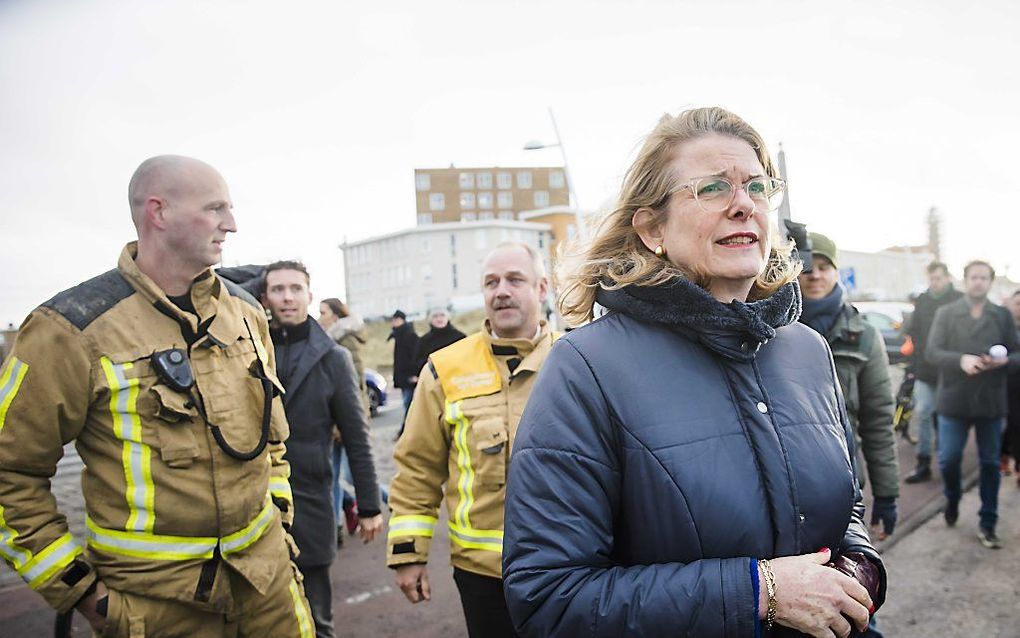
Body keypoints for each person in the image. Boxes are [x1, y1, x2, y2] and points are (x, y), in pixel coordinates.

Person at [502, 108, 884, 638]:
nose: (743, 204)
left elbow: (846, 506)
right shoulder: (586, 368)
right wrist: (759, 592)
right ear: (652, 228)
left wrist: (861, 570)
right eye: (712, 188)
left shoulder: (807, 351)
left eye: (756, 186)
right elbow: (549, 598)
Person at [0, 155, 313, 635]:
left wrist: (280, 519)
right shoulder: (69, 329)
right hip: (155, 607)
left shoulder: (247, 314)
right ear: (158, 212)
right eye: (215, 209)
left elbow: (272, 443)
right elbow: (10, 472)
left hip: (268, 587)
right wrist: (82, 593)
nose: (231, 225)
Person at [387, 242, 557, 638]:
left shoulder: (576, 360)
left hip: (569, 566)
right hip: (481, 574)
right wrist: (408, 554)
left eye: (515, 279)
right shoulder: (445, 369)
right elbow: (418, 467)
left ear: (542, 288)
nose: (501, 291)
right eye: (491, 282)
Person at [261, 261, 383, 638]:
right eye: (277, 289)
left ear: (309, 296)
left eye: (296, 288)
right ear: (263, 296)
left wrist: (369, 506)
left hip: (309, 496)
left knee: (316, 619)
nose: (287, 297)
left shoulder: (333, 357)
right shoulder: (247, 347)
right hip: (253, 502)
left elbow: (357, 435)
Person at [798, 232, 899, 544]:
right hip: (786, 486)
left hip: (843, 487)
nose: (815, 275)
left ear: (837, 272)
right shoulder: (774, 329)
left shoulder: (864, 335)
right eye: (806, 267)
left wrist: (886, 494)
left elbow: (878, 420)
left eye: (824, 266)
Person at [926, 260, 1020, 548]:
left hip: (990, 402)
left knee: (990, 463)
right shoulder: (946, 313)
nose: (978, 282)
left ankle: (988, 522)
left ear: (991, 282)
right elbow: (931, 351)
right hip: (954, 398)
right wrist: (960, 360)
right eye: (973, 277)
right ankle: (952, 499)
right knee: (948, 458)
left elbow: (1017, 354)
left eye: (983, 277)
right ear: (965, 281)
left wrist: (1003, 361)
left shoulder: (1002, 315)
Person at [904, 261, 963, 483]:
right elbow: (915, 331)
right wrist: (916, 360)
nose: (934, 283)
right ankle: (924, 463)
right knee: (924, 412)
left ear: (947, 277)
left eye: (938, 278)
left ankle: (950, 464)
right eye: (931, 279)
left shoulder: (958, 300)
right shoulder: (923, 300)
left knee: (948, 417)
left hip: (951, 370)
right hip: (925, 369)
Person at [318, 297, 369, 544]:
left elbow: (355, 384)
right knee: (335, 475)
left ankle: (388, 501)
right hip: (331, 419)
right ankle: (336, 526)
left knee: (347, 475)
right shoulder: (326, 338)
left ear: (335, 316)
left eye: (323, 312)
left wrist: (347, 422)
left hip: (345, 420)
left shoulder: (344, 341)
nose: (320, 317)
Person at [411, 307, 467, 376]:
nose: (439, 319)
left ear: (448, 318)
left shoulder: (459, 336)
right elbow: (417, 362)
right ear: (430, 320)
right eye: (435, 316)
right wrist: (428, 361)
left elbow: (468, 357)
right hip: (434, 379)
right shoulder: (424, 340)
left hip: (458, 376)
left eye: (442, 315)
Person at [388, 309, 419, 419]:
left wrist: (415, 374)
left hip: (410, 376)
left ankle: (407, 430)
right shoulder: (398, 335)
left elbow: (416, 356)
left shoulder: (409, 335)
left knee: (409, 405)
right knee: (407, 404)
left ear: (402, 320)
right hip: (403, 376)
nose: (393, 322)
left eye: (395, 320)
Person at [1004, 290, 1020, 484]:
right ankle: (1004, 456)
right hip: (1007, 384)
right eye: (1017, 303)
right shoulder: (1004, 327)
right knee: (1009, 424)